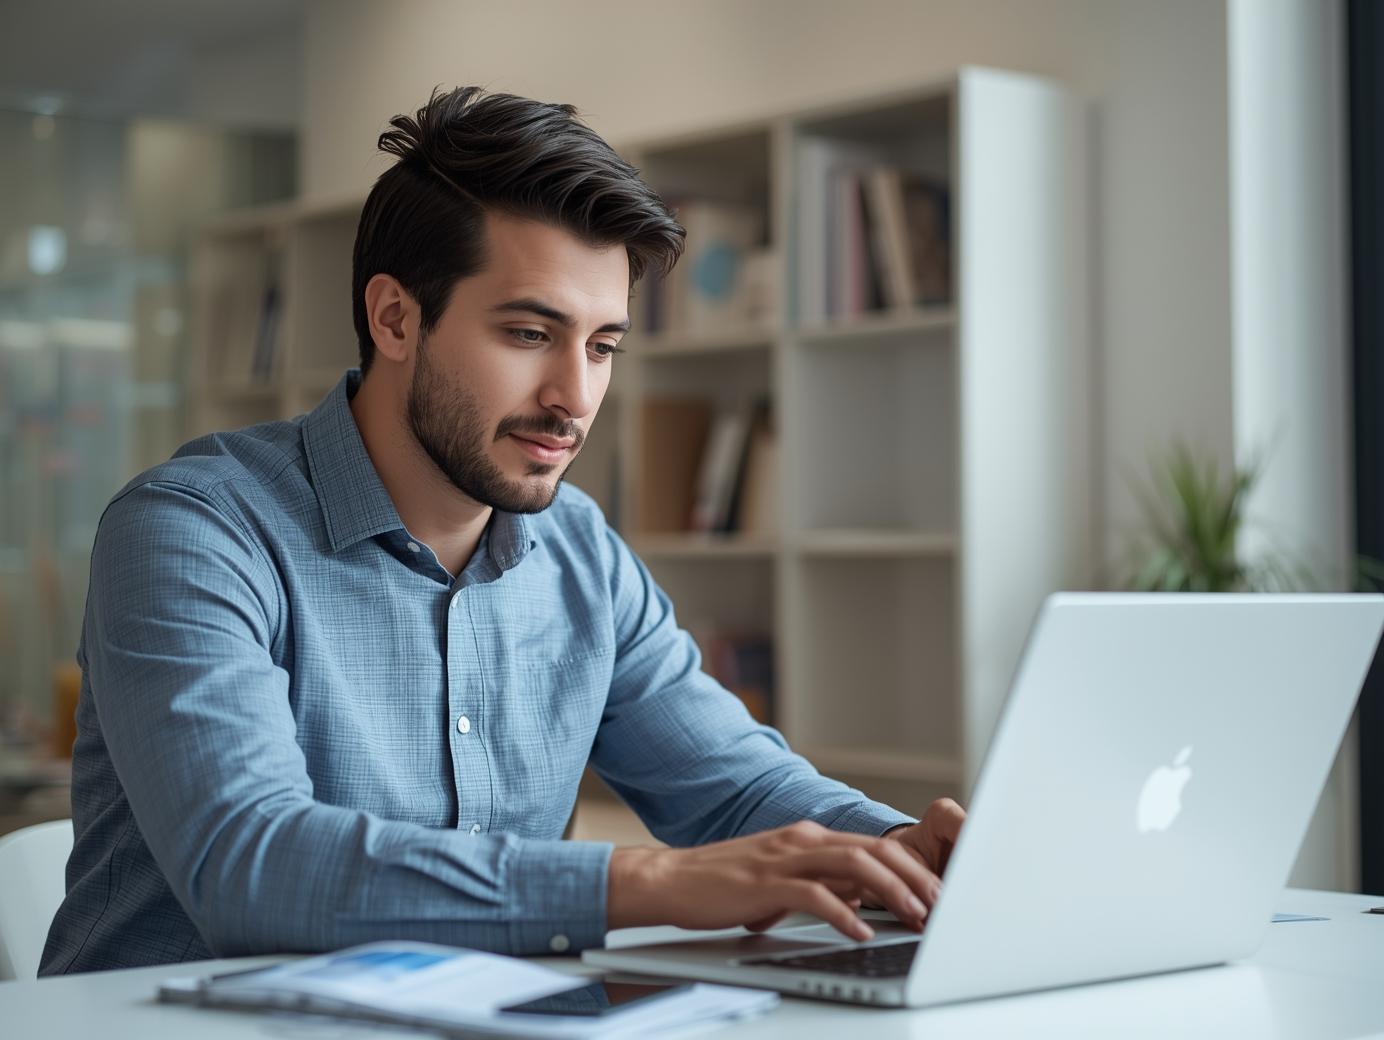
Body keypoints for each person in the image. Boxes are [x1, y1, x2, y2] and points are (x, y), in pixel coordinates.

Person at [40, 86, 965, 976]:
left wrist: (896, 849)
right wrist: (647, 881)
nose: (575, 397)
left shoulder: (581, 551)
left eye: (603, 346)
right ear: (395, 318)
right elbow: (251, 862)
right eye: (530, 334)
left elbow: (734, 787)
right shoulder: (194, 531)